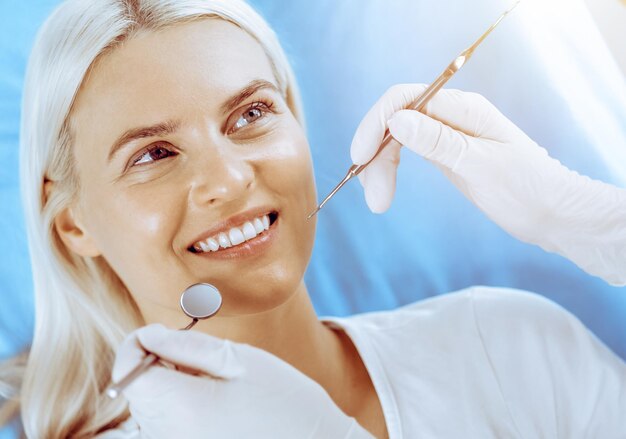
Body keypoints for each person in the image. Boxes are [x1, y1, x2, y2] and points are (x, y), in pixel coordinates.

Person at [0, 0, 624, 438]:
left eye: (250, 115)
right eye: (154, 154)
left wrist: (607, 231)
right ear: (73, 224)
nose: (230, 178)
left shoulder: (506, 345)